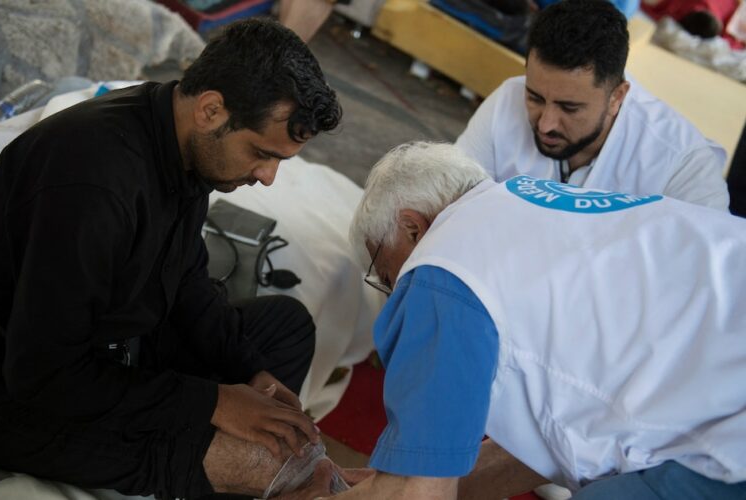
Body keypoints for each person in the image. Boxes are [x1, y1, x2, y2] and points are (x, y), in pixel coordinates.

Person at [0, 19, 343, 499]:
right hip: (4, 387)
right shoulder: (92, 184)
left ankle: (224, 452)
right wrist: (213, 403)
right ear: (211, 110)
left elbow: (184, 279)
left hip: (117, 346)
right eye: (262, 153)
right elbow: (44, 373)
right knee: (257, 463)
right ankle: (215, 468)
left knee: (285, 328)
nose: (267, 176)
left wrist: (250, 374)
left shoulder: (182, 138)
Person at [291, 141, 746, 499]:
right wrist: (394, 483)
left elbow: (419, 494)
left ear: (414, 228)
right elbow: (557, 436)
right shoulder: (521, 206)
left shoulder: (440, 267)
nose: (394, 290)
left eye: (385, 273)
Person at [456, 0, 730, 211]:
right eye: (535, 98)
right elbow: (450, 195)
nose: (546, 123)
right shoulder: (508, 98)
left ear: (617, 97)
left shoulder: (683, 163)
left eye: (570, 108)